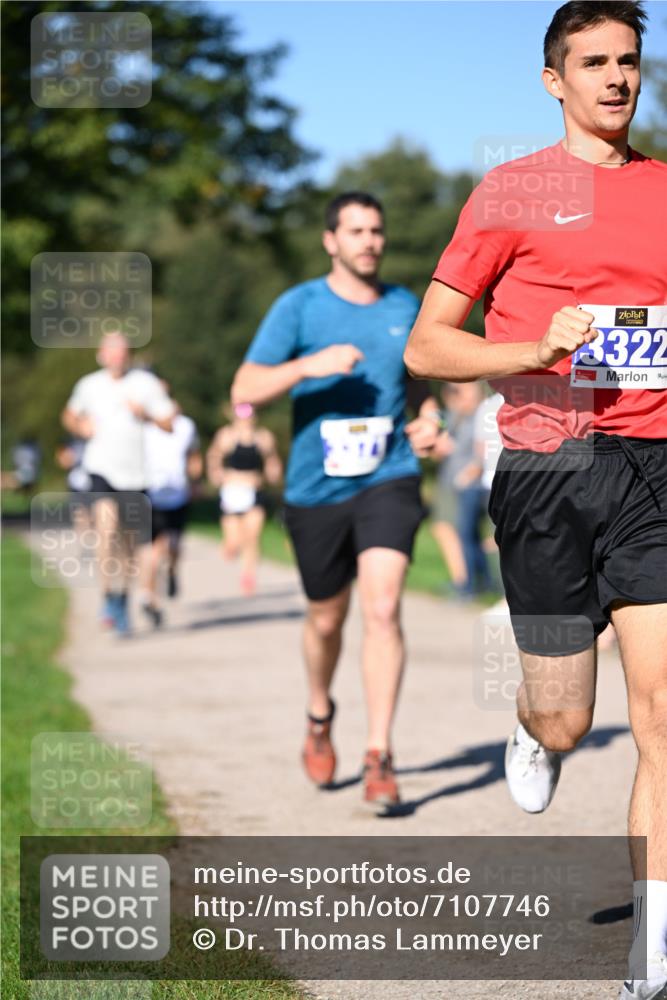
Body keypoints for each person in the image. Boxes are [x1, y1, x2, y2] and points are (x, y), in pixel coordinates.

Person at [404, 3, 666, 995]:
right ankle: (531, 721)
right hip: (549, 470)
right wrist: (532, 349)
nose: (615, 77)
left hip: (658, 464)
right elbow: (428, 344)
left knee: (661, 711)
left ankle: (651, 945)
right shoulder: (512, 192)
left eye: (628, 61)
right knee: (568, 719)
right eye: (592, 62)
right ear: (552, 80)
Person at [231, 191, 441, 810]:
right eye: (355, 231)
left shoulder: (405, 306)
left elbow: (420, 385)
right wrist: (306, 366)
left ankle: (380, 752)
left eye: (376, 230)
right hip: (314, 487)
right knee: (327, 617)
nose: (369, 241)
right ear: (331, 241)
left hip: (388, 477)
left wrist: (428, 422)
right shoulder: (298, 306)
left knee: (382, 608)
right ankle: (320, 713)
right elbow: (244, 388)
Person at [61, 332, 175, 634]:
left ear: (128, 355)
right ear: (101, 355)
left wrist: (146, 414)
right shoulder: (89, 384)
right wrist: (80, 425)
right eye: (111, 352)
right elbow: (69, 416)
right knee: (106, 530)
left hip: (135, 474)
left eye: (122, 352)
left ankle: (121, 598)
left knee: (127, 545)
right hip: (101, 468)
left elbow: (169, 423)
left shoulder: (145, 385)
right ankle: (107, 595)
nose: (116, 357)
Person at [142, 381, 203, 625]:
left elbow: (194, 455)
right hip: (150, 493)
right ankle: (150, 598)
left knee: (174, 546)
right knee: (153, 548)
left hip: (178, 494)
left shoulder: (186, 426)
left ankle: (172, 571)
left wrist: (196, 480)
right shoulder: (142, 427)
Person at [206, 401, 282, 596]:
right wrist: (216, 473)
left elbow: (272, 460)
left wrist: (274, 472)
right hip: (232, 492)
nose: (246, 417)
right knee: (234, 542)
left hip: (254, 491)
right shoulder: (226, 436)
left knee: (252, 536)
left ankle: (248, 575)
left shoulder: (263, 437)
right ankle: (231, 547)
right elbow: (214, 456)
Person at [432, 382, 494, 598]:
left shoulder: (482, 415)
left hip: (472, 486)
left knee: (467, 535)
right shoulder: (455, 416)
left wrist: (467, 476)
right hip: (454, 484)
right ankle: (483, 582)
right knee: (470, 536)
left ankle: (467, 587)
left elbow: (482, 453)